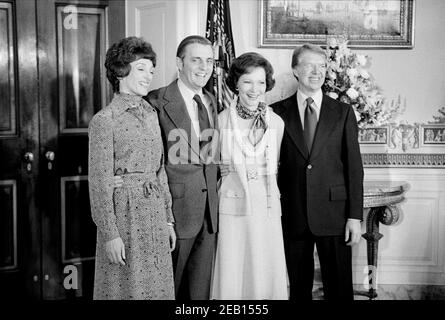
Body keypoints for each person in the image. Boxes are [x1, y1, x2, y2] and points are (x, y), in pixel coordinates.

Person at [271, 44, 364, 300]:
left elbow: (354, 168)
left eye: (322, 66)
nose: (317, 71)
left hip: (335, 214)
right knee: (298, 289)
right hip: (293, 214)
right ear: (295, 70)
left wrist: (354, 217)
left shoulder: (343, 113)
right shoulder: (277, 113)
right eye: (309, 65)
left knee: (339, 288)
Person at [88, 36, 175, 300]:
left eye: (151, 70)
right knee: (125, 288)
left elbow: (159, 170)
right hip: (124, 216)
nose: (149, 76)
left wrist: (168, 219)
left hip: (154, 215)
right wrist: (109, 234)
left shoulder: (151, 113)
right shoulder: (104, 120)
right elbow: (99, 182)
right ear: (120, 71)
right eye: (141, 69)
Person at [145, 35, 219, 300]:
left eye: (209, 61)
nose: (204, 67)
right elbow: (150, 164)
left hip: (209, 214)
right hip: (175, 213)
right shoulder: (155, 102)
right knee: (168, 290)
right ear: (179, 63)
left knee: (199, 293)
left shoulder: (212, 100)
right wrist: (164, 218)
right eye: (196, 60)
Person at [211, 52, 288, 300]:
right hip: (233, 208)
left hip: (266, 209)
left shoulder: (276, 123)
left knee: (265, 270)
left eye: (260, 82)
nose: (254, 89)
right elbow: (211, 166)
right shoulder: (220, 121)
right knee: (234, 271)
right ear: (236, 83)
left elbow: (277, 166)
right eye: (247, 81)